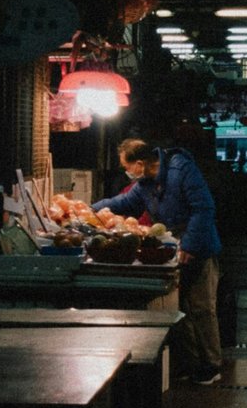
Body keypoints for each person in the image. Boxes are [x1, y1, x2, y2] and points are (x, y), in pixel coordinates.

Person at [91, 137, 225, 385]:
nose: (126, 172)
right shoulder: (145, 183)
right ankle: (191, 364)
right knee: (179, 307)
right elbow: (126, 203)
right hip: (173, 248)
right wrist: (92, 209)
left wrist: (191, 244)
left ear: (140, 163)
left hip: (199, 248)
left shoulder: (181, 169)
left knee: (202, 307)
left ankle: (212, 365)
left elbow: (203, 207)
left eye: (126, 167)